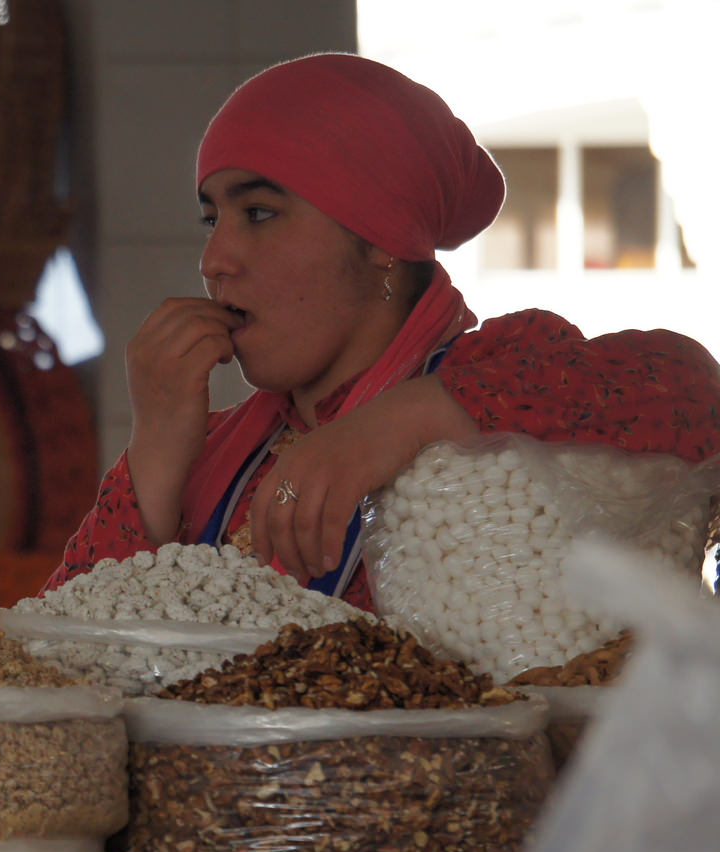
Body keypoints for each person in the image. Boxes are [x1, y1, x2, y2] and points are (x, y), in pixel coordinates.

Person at [48, 53, 720, 610]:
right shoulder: (211, 449)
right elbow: (55, 663)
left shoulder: (499, 399)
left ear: (382, 244)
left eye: (258, 213)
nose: (214, 260)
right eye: (211, 219)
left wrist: (410, 417)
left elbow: (692, 395)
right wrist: (155, 461)